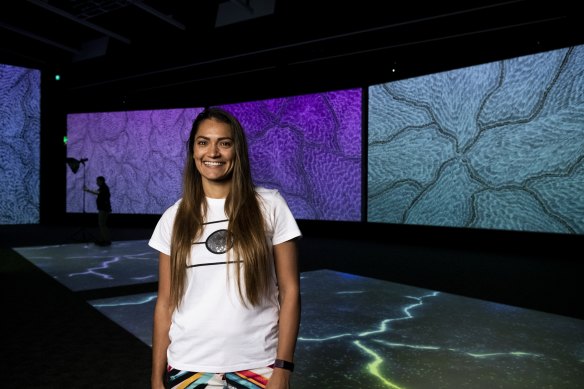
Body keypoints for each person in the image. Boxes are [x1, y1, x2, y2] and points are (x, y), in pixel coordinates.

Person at [148, 107, 302, 389]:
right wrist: (156, 375)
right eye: (203, 142)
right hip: (188, 368)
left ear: (237, 151)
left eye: (225, 143)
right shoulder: (174, 217)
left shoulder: (270, 205)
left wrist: (283, 367)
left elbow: (290, 291)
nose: (213, 152)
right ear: (193, 150)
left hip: (258, 367)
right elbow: (165, 303)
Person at [84, 176, 112, 246]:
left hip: (103, 209)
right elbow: (97, 193)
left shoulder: (104, 188)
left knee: (102, 225)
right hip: (104, 208)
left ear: (101, 181)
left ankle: (106, 240)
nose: (96, 182)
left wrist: (87, 190)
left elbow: (96, 192)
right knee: (102, 225)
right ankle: (103, 239)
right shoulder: (104, 187)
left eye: (97, 181)